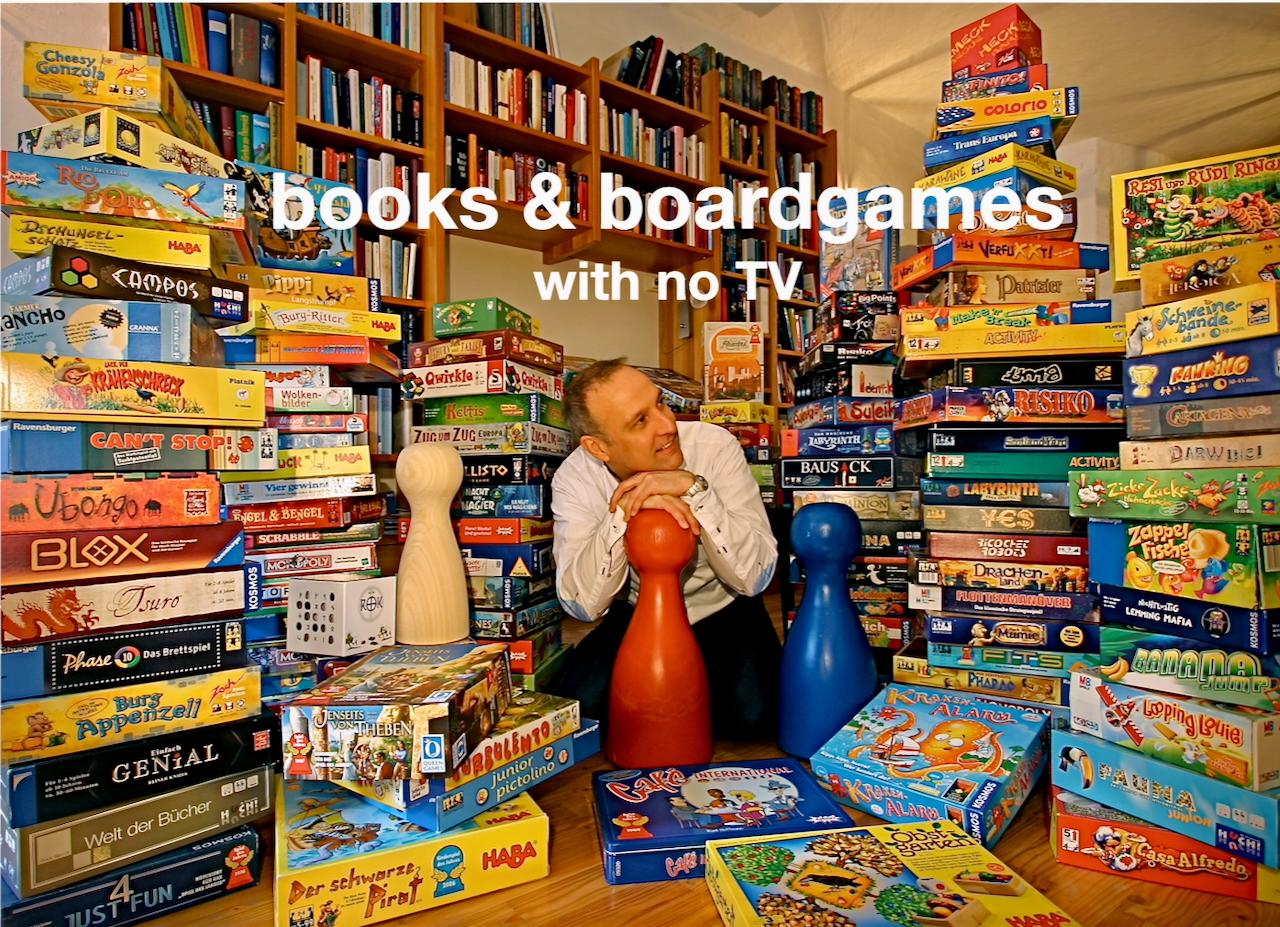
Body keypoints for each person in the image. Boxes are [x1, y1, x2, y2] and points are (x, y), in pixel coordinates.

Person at [549, 358, 781, 740]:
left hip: (723, 605)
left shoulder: (714, 445)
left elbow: (755, 577)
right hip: (638, 612)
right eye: (640, 421)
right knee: (581, 712)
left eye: (660, 403)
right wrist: (626, 510)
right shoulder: (574, 479)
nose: (667, 425)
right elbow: (582, 605)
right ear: (598, 447)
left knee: (754, 720)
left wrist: (694, 490)